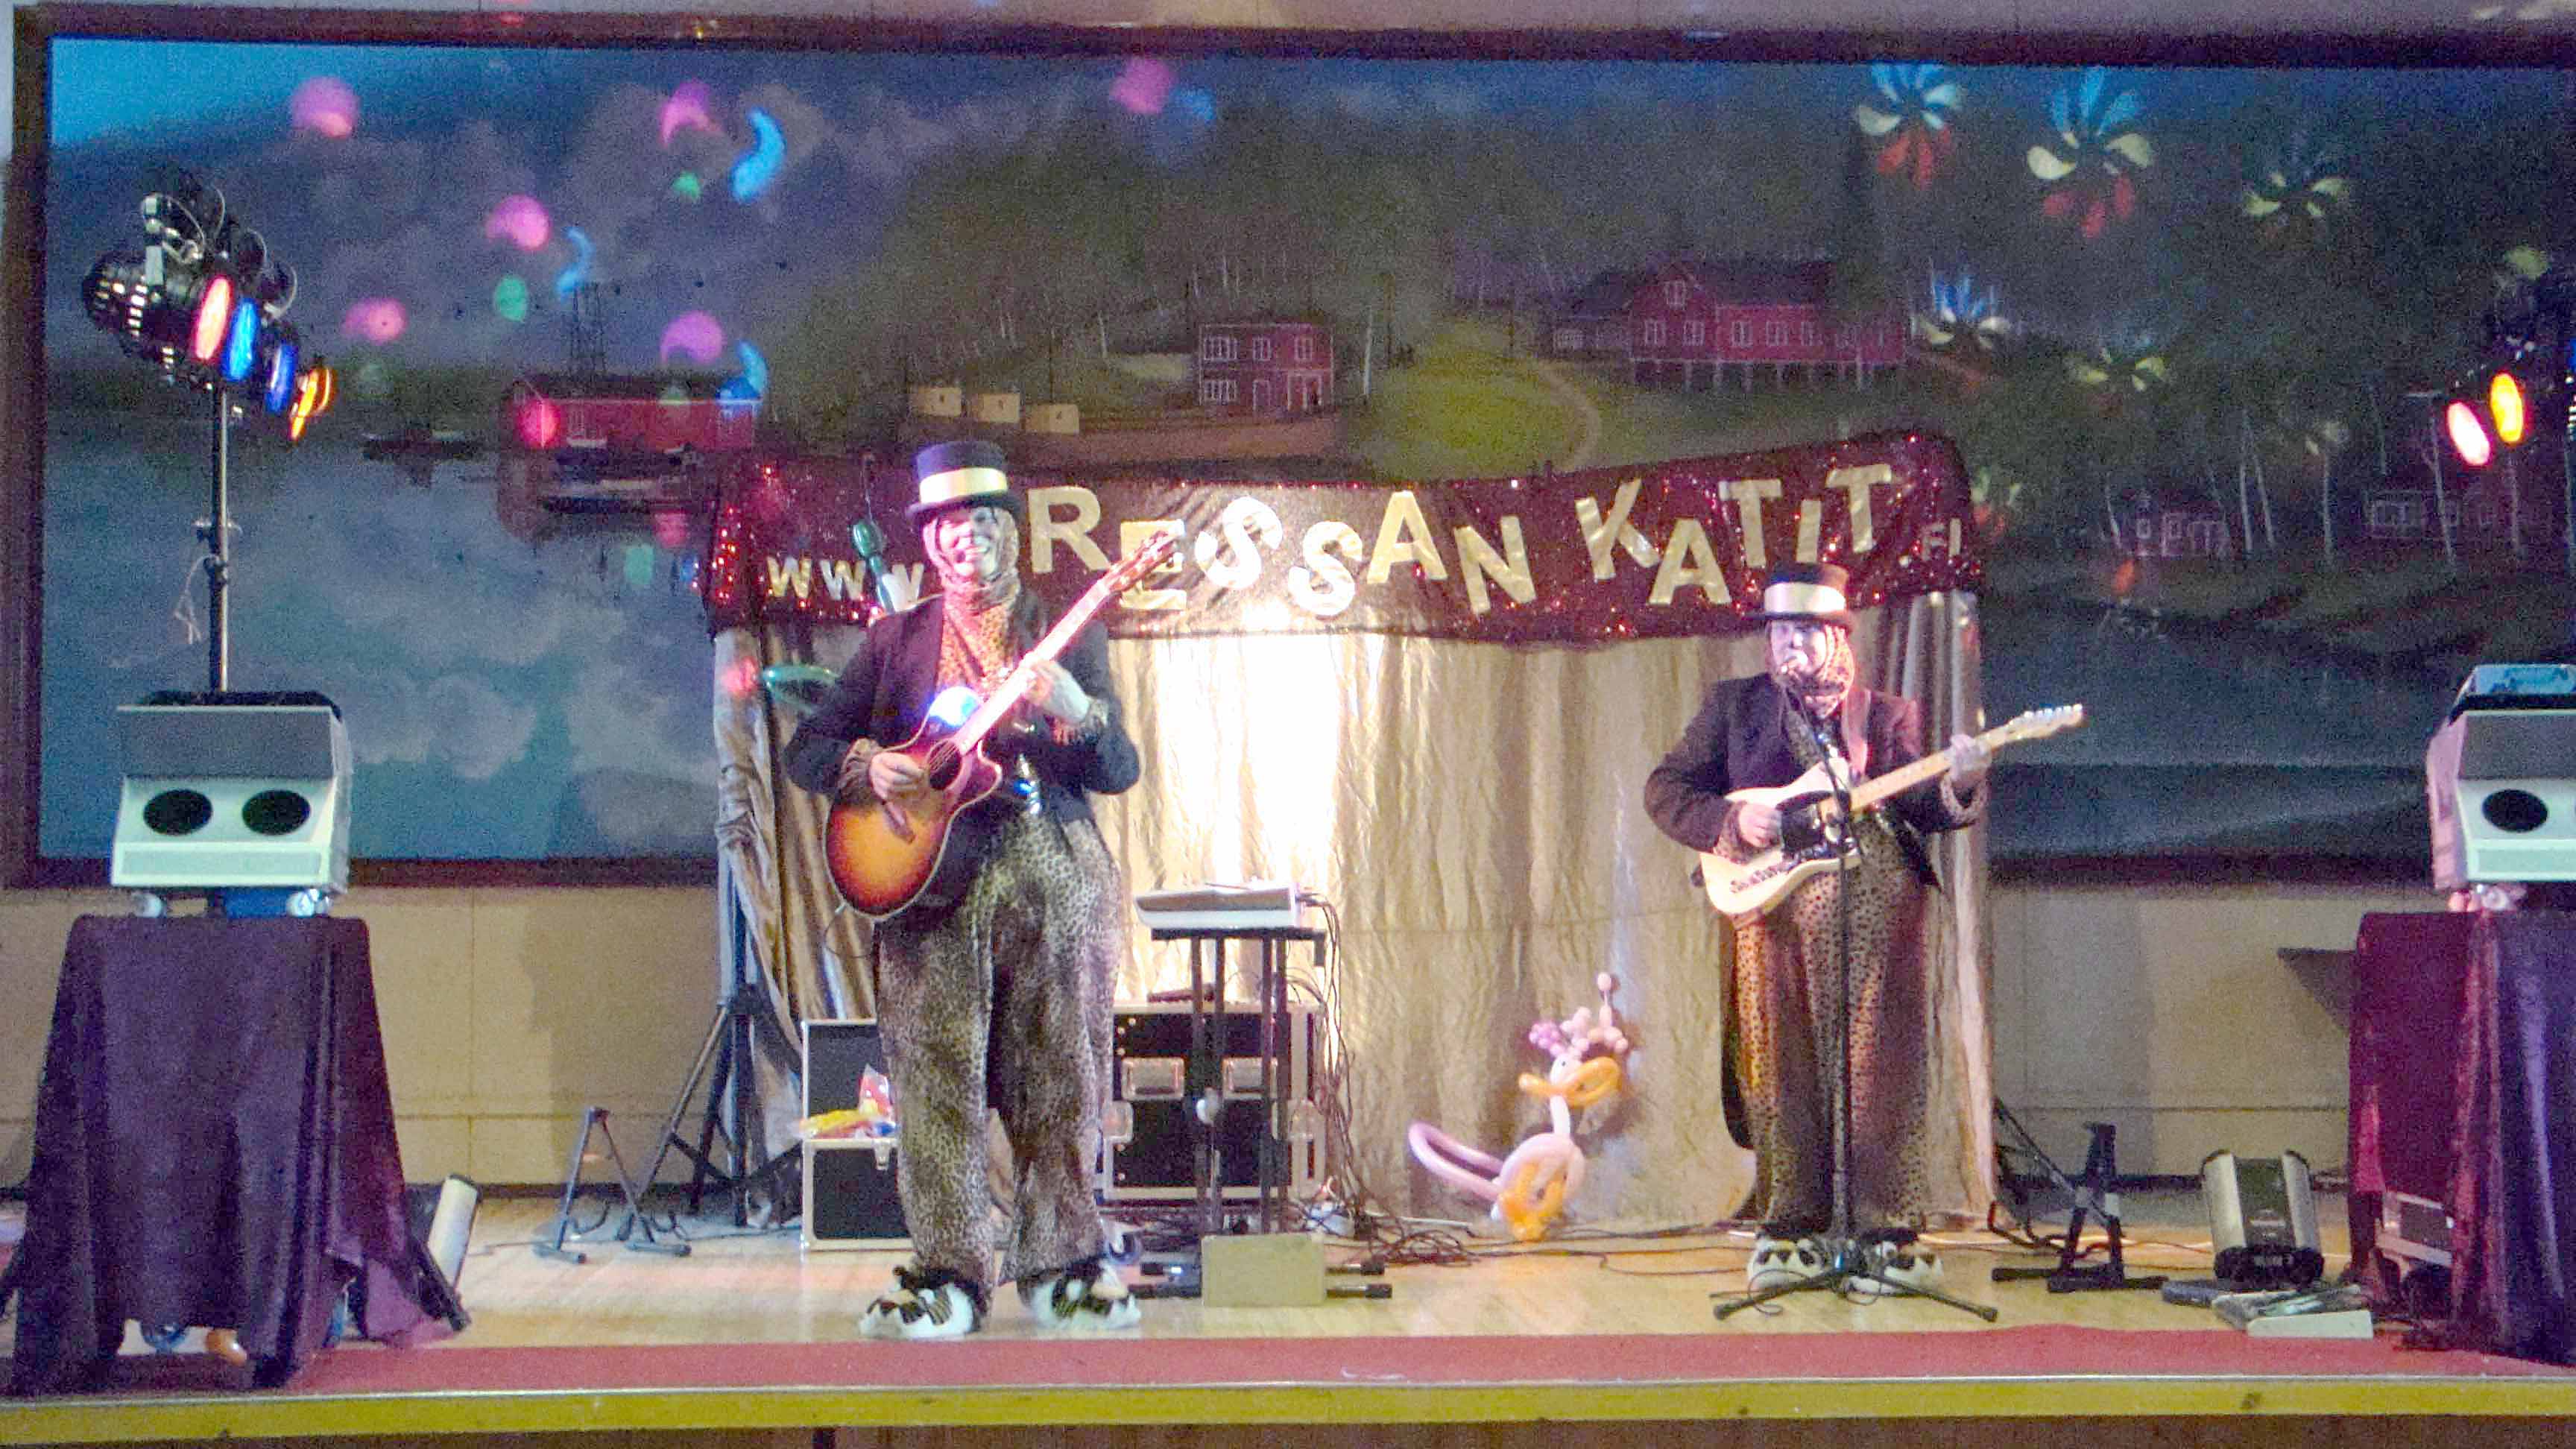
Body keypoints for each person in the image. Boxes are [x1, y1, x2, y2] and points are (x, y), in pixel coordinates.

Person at [784, 439, 1142, 1338]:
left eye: (982, 519)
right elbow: (808, 747)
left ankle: (1064, 1265)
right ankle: (949, 1273)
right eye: (947, 524)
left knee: (1061, 1074)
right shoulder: (895, 641)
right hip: (928, 890)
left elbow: (1118, 770)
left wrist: (1077, 713)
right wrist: (870, 767)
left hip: (1049, 877)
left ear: (1011, 532)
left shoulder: (1068, 631)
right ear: (928, 541)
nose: (965, 538)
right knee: (933, 1081)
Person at [1643, 561, 1988, 1287]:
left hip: (1879, 922)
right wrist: (1733, 819)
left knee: (1880, 1068)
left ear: (1838, 637)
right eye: (1779, 634)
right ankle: (1791, 1227)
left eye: (1804, 632)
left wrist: (1958, 781)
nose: (1789, 647)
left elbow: (1922, 807)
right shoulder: (1735, 709)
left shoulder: (1884, 715)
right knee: (1780, 1066)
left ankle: (1884, 1229)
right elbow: (1666, 789)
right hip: (1772, 918)